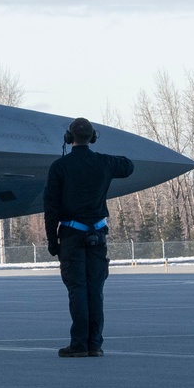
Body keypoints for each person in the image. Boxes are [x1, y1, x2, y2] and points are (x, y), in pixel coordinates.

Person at [43, 117, 134, 358]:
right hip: (97, 235)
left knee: (77, 289)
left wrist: (53, 241)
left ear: (69, 138)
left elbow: (51, 208)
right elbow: (128, 166)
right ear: (92, 138)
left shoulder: (59, 167)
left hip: (72, 235)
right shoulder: (103, 163)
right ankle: (95, 344)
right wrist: (103, 162)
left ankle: (79, 344)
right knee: (95, 290)